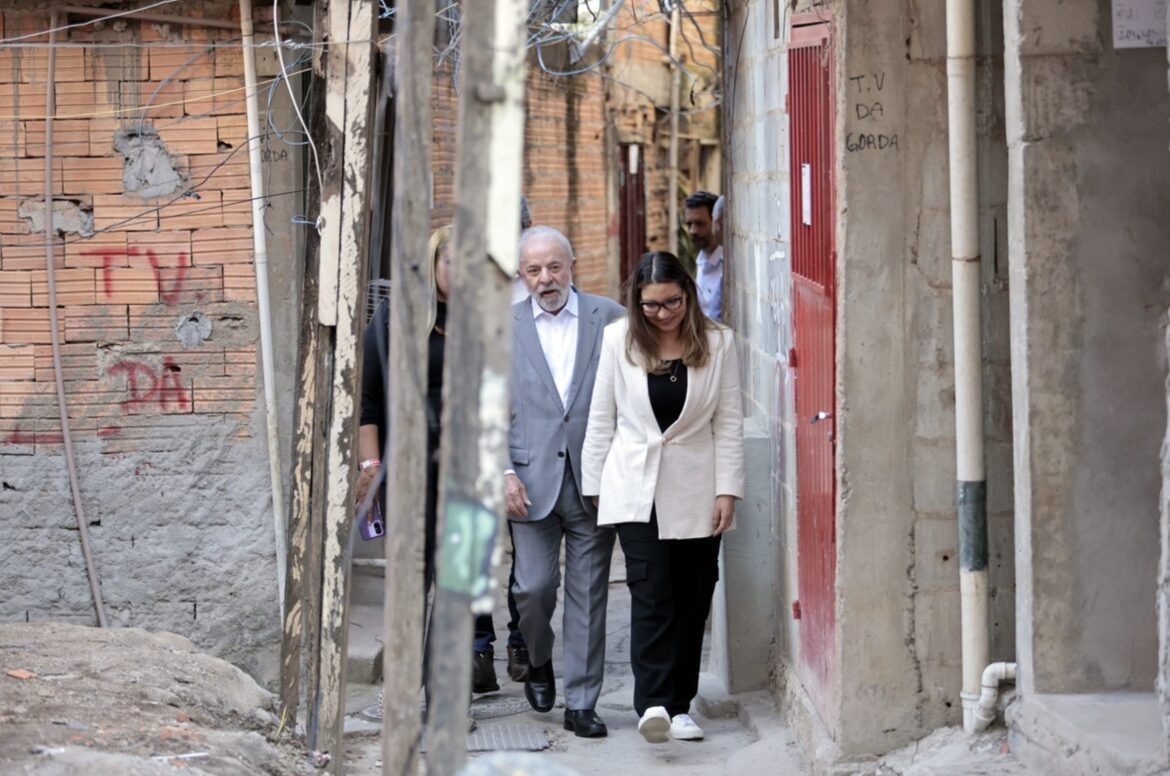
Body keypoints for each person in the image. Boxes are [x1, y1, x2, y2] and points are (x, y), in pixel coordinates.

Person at [581, 250, 744, 744]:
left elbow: (730, 423)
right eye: (650, 305)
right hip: (636, 487)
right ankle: (652, 703)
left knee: (693, 597)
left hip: (698, 487)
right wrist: (594, 488)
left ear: (688, 294)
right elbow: (601, 417)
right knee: (651, 593)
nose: (663, 314)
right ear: (637, 303)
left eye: (671, 302)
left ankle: (680, 706)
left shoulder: (718, 343)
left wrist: (727, 490)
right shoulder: (618, 339)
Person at [354, 225, 502, 697]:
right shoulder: (394, 320)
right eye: (451, 261)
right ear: (433, 265)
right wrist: (369, 466)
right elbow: (367, 398)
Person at [505, 225, 625, 738]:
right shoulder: (500, 328)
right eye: (534, 270)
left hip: (594, 481)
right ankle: (538, 658)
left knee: (589, 593)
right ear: (521, 276)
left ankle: (581, 703)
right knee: (532, 589)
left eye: (554, 266)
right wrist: (503, 472)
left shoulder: (611, 319)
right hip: (527, 484)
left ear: (571, 265)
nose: (545, 278)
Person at [684, 191, 725, 322]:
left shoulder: (727, 265)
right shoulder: (701, 261)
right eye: (689, 224)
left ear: (716, 222)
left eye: (700, 224)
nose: (693, 231)